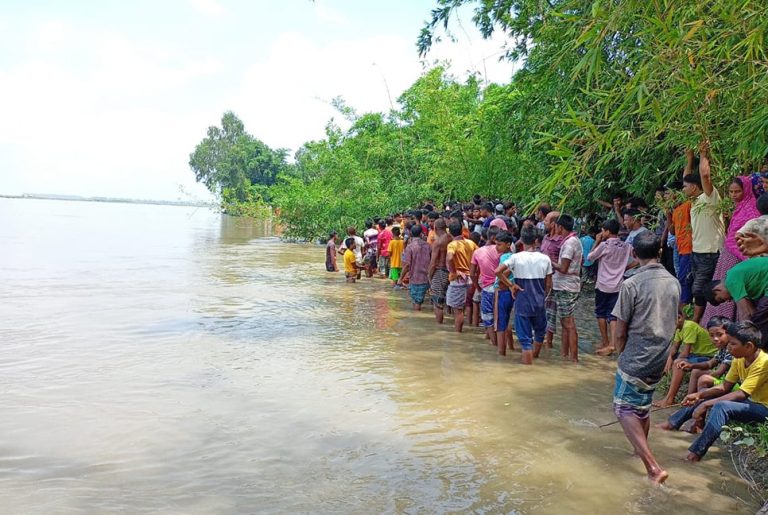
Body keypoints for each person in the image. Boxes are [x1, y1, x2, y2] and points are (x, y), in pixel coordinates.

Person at [611, 231, 680, 485]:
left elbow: (620, 330)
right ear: (659, 252)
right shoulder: (673, 281)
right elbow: (676, 320)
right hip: (661, 354)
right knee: (641, 406)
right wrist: (669, 355)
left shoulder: (631, 284)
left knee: (623, 408)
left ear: (634, 254)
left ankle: (652, 467)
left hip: (637, 354)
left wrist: (621, 354)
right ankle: (638, 449)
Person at [658, 321, 768, 462]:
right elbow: (724, 387)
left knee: (721, 406)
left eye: (733, 344)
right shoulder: (738, 360)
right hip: (750, 402)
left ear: (749, 346)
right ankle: (672, 423)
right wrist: (699, 395)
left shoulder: (764, 362)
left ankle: (696, 454)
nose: (728, 348)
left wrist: (706, 404)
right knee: (703, 398)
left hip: (764, 408)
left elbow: (741, 393)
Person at [701, 175, 761, 323]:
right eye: (731, 192)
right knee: (723, 292)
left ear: (746, 190)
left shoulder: (752, 211)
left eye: (737, 191)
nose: (734, 195)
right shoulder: (740, 208)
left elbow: (750, 239)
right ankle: (719, 324)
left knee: (735, 293)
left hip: (740, 258)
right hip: (729, 257)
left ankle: (737, 324)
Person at [496, 226, 552, 364]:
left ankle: (527, 368)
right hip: (539, 302)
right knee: (539, 333)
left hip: (522, 302)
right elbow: (549, 284)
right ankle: (535, 359)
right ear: (536, 241)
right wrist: (542, 296)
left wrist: (511, 285)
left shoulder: (516, 257)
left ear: (522, 240)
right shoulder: (545, 259)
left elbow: (497, 271)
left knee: (526, 342)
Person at [683, 144, 725, 323]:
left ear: (694, 187)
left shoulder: (709, 197)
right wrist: (689, 158)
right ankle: (701, 319)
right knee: (697, 287)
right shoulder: (695, 201)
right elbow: (686, 176)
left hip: (710, 252)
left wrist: (703, 153)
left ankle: (698, 321)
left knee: (699, 289)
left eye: (685, 186)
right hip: (698, 252)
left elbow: (705, 175)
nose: (683, 189)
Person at [653, 316, 732, 408]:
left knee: (701, 376)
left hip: (727, 381)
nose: (715, 338)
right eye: (711, 335)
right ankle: (689, 401)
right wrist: (691, 365)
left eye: (719, 334)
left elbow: (718, 373)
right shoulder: (722, 349)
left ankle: (691, 401)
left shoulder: (731, 349)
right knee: (694, 370)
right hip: (701, 359)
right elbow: (710, 363)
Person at [588, 219, 632, 355]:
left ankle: (605, 342)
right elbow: (636, 259)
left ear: (607, 231)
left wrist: (596, 241)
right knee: (613, 315)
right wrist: (624, 268)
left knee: (600, 313)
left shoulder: (604, 245)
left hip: (603, 284)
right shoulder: (626, 246)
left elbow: (590, 257)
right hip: (618, 285)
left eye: (602, 230)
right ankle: (613, 344)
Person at [705, 256, 768, 346]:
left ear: (717, 290)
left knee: (759, 322)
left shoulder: (731, 281)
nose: (728, 301)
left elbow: (745, 313)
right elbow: (751, 311)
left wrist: (737, 335)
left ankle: (758, 351)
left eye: (722, 299)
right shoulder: (736, 278)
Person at [551, 214, 582, 362]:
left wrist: (549, 261)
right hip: (566, 285)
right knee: (565, 322)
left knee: (568, 323)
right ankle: (565, 355)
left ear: (560, 227)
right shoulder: (572, 241)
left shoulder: (570, 243)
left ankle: (574, 358)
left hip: (566, 286)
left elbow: (563, 268)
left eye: (556, 226)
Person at [470, 226, 503, 350]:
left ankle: (494, 344)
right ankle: (502, 346)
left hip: (487, 288)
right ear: (495, 238)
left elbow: (472, 273)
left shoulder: (478, 252)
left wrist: (478, 287)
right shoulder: (502, 250)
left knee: (487, 317)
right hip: (501, 288)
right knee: (500, 316)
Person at [446, 220, 478, 332]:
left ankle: (458, 333)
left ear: (449, 232)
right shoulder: (471, 243)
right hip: (470, 280)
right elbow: (479, 256)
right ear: (461, 231)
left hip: (458, 280)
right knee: (465, 306)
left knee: (458, 310)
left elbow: (450, 258)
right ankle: (466, 328)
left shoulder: (452, 245)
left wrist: (453, 271)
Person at [540, 210, 562, 351]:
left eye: (546, 221)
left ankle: (548, 342)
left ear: (553, 224)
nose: (544, 222)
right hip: (541, 280)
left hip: (553, 281)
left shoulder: (561, 241)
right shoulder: (545, 238)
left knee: (550, 312)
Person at [671, 189, 694, 310]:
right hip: (680, 248)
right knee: (682, 278)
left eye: (669, 193)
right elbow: (672, 231)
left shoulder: (689, 205)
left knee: (684, 279)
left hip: (689, 248)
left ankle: (685, 308)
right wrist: (667, 213)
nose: (666, 196)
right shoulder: (675, 211)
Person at [401, 224, 432, 311]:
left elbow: (407, 265)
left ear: (410, 234)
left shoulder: (410, 247)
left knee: (416, 302)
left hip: (415, 278)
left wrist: (401, 278)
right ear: (421, 233)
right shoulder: (428, 246)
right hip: (426, 278)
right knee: (419, 300)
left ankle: (416, 320)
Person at [429, 218, 451, 324]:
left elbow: (433, 263)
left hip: (440, 272)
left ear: (435, 228)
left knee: (437, 301)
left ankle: (439, 325)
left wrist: (429, 276)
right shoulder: (451, 238)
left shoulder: (438, 242)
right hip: (451, 272)